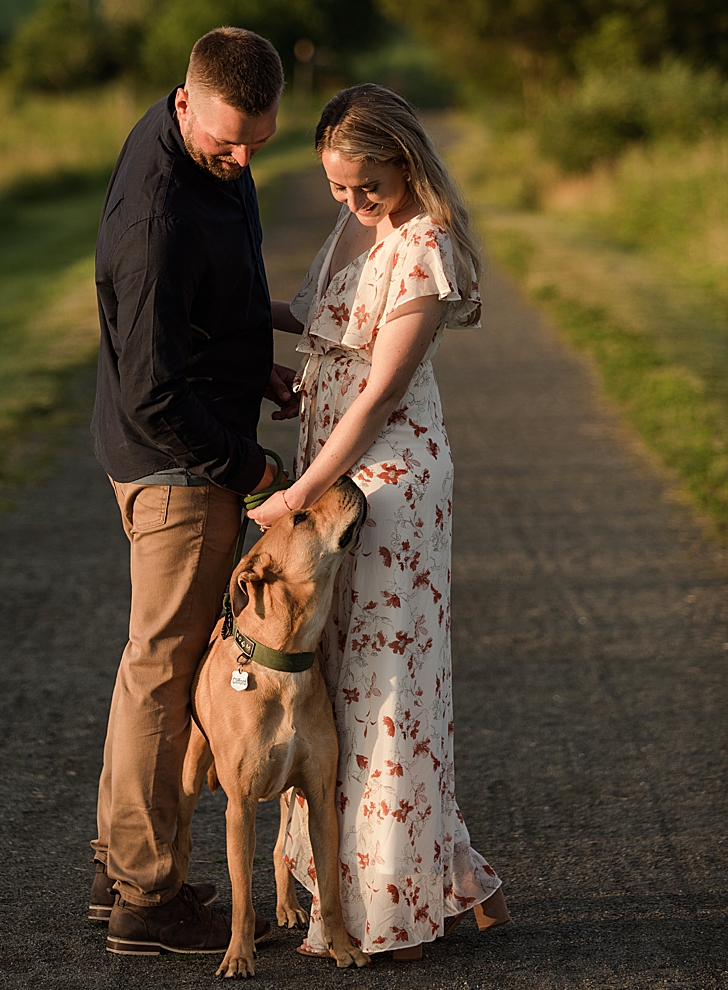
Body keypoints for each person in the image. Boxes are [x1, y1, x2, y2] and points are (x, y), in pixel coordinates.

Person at [247, 83, 509, 960]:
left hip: (385, 480)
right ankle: (342, 878)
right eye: (337, 187)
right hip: (333, 465)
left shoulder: (427, 242)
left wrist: (292, 500)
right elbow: (326, 328)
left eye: (370, 188)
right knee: (328, 675)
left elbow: (376, 396)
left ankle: (383, 901)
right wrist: (228, 313)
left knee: (382, 682)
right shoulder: (359, 225)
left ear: (408, 163)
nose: (355, 203)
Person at [89, 26, 300, 957]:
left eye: (259, 141)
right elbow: (153, 391)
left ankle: (120, 866)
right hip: (178, 464)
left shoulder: (199, 144)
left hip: (195, 436)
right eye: (228, 142)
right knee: (164, 668)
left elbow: (202, 314)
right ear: (185, 101)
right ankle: (145, 899)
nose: (243, 158)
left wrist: (256, 361)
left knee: (157, 663)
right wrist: (253, 470)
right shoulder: (157, 218)